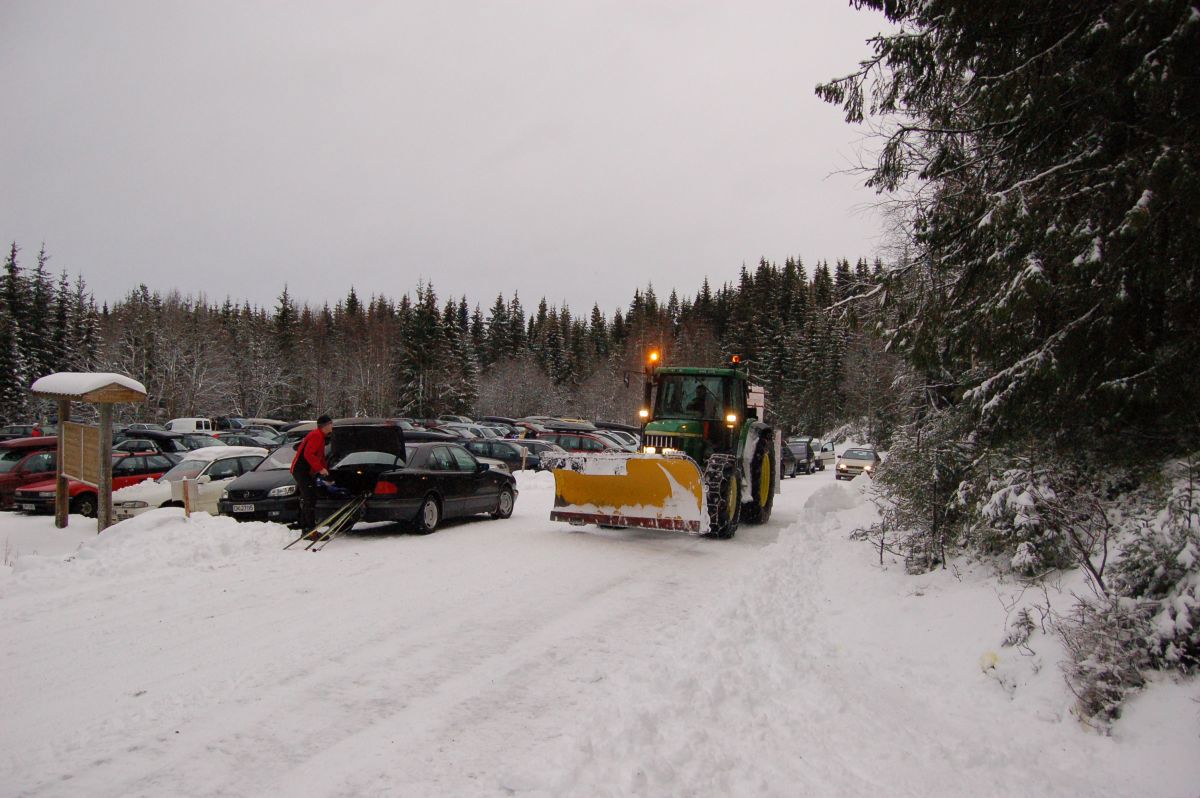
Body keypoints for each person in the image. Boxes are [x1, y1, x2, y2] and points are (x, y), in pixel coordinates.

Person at [291, 415, 333, 532]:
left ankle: (304, 524)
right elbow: (308, 454)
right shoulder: (316, 435)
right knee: (310, 498)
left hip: (306, 471)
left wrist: (326, 471)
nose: (332, 426)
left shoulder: (320, 436)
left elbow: (320, 456)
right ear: (325, 425)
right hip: (301, 470)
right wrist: (320, 469)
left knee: (309, 497)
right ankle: (309, 529)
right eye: (330, 424)